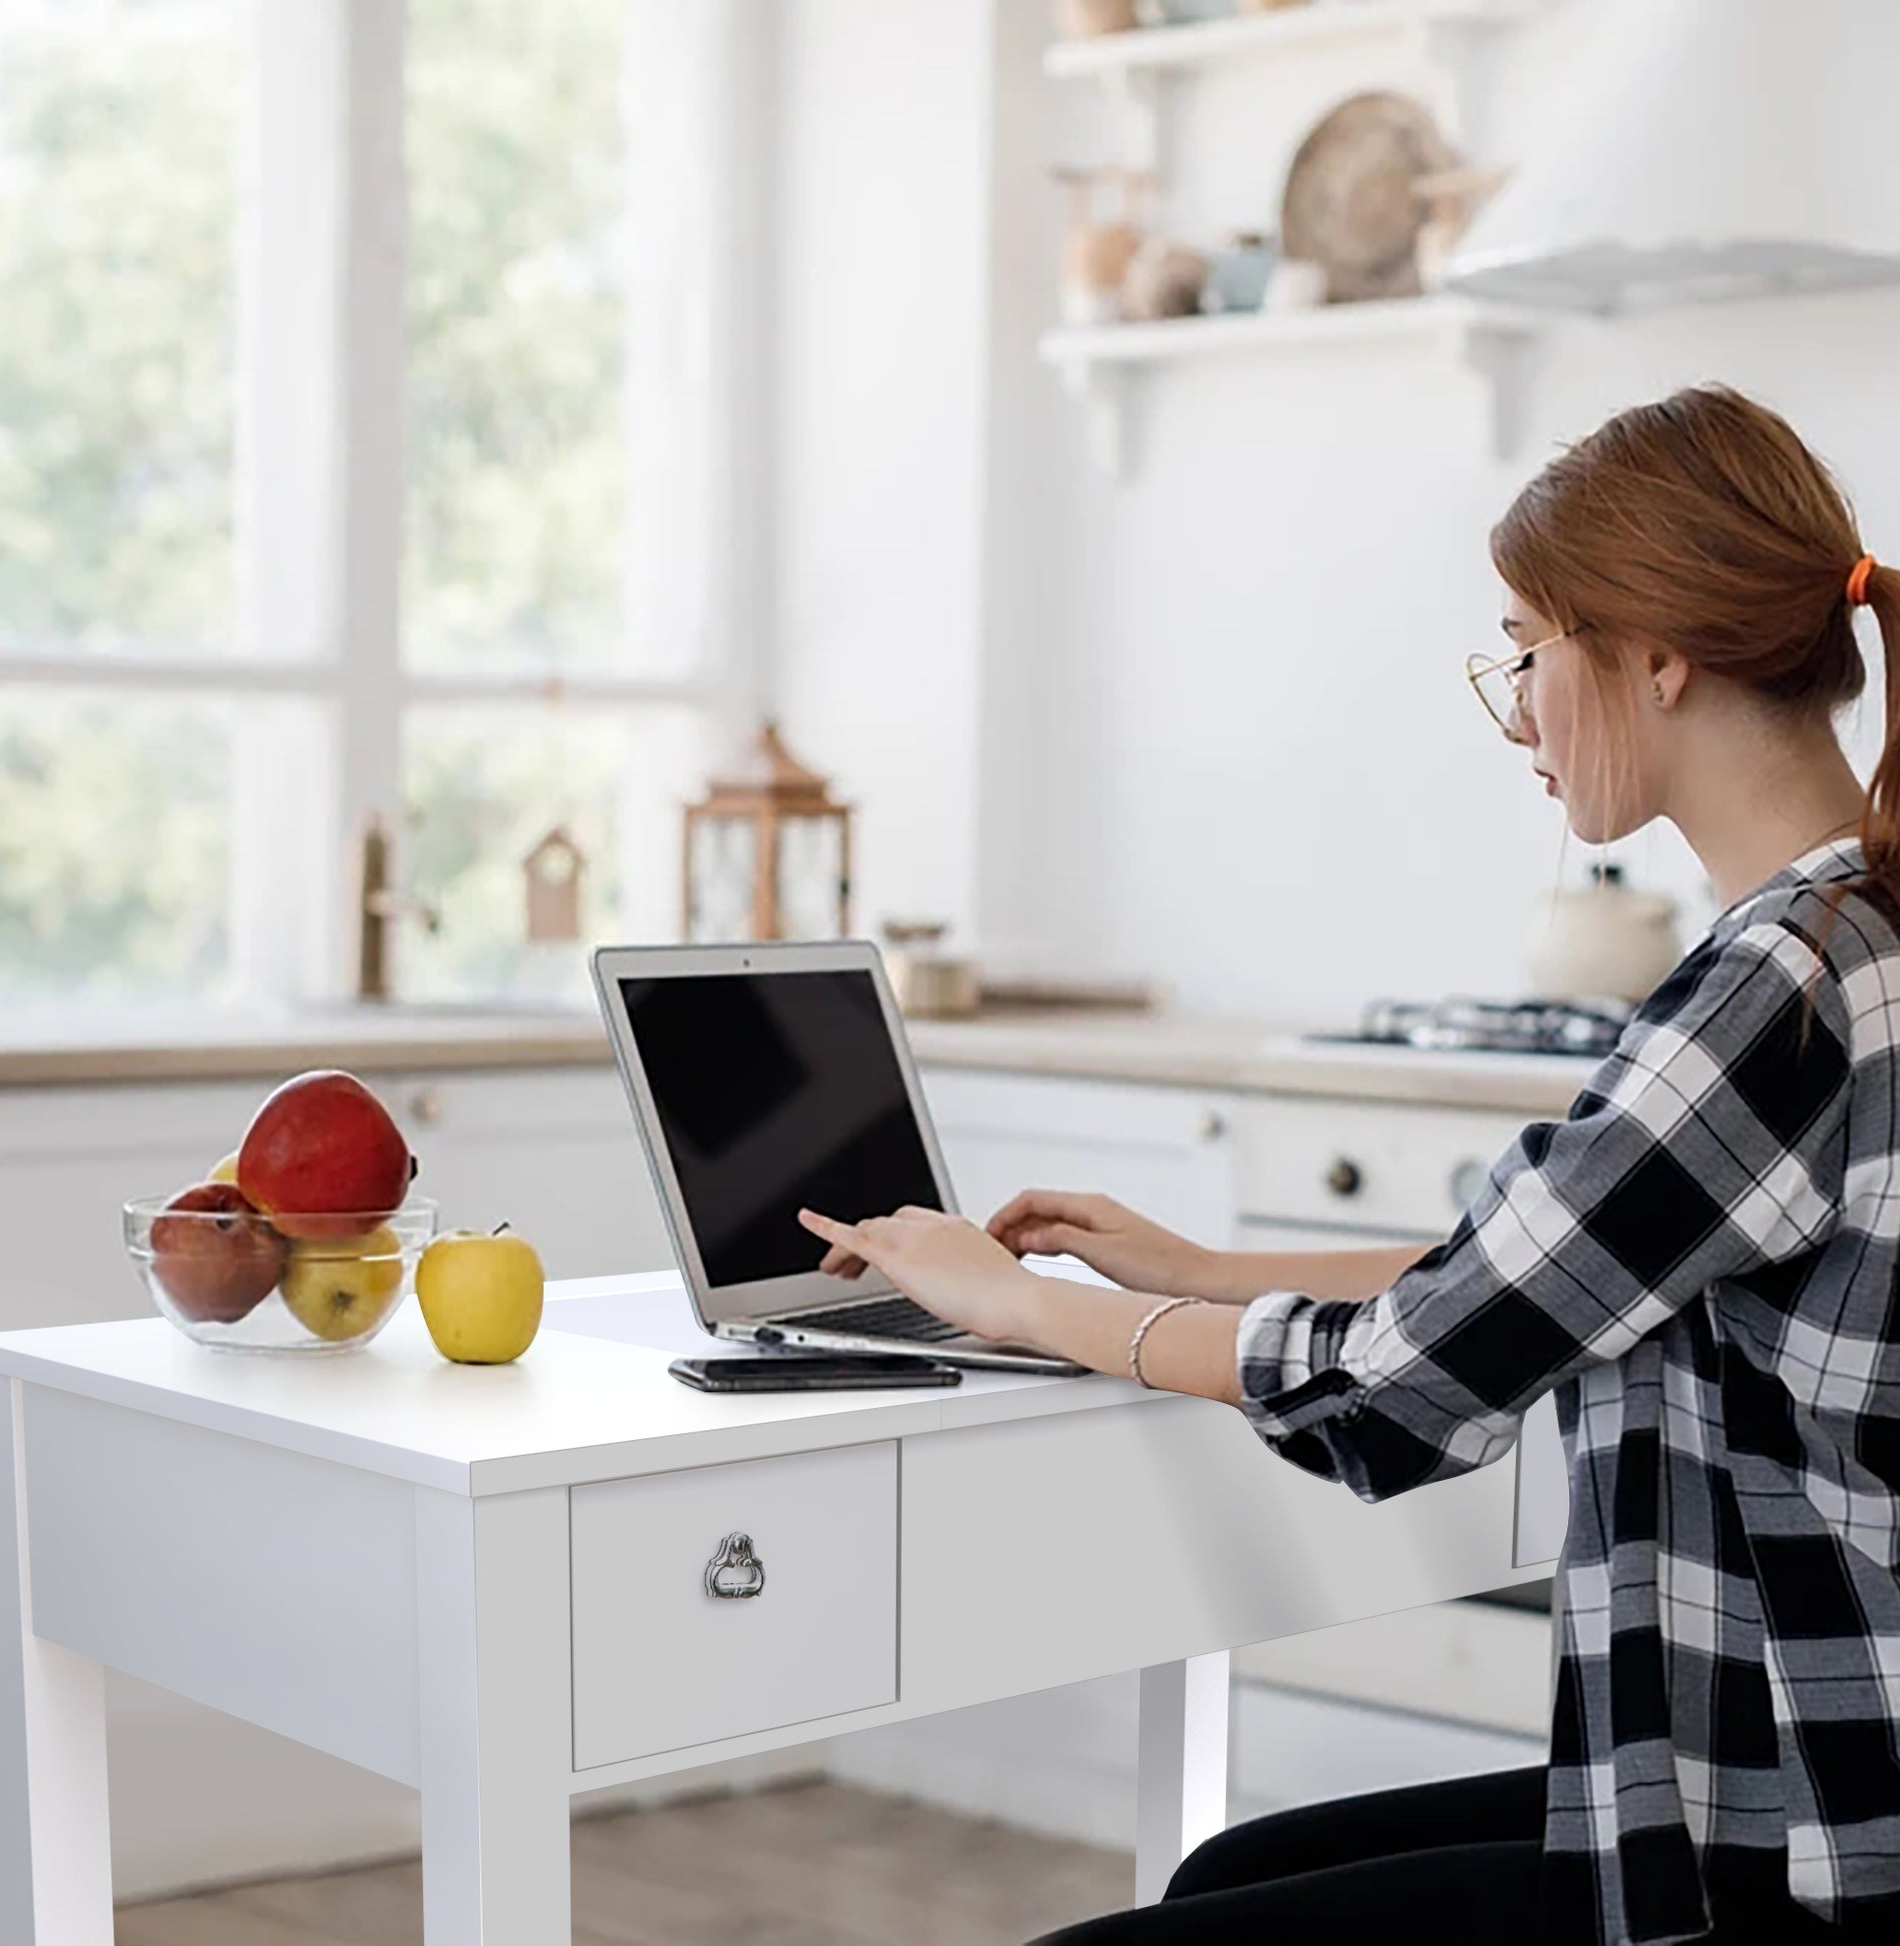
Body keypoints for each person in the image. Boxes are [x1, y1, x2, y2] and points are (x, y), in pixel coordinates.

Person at [798, 387, 1900, 1945]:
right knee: (1219, 1876)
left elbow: (1399, 1382)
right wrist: (1195, 1271)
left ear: (1655, 655)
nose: (1514, 713)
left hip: (1790, 1831)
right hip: (1786, 1765)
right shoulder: (1854, 934)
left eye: (1525, 651)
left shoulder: (1773, 995)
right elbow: (1550, 1277)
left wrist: (1022, 1305)